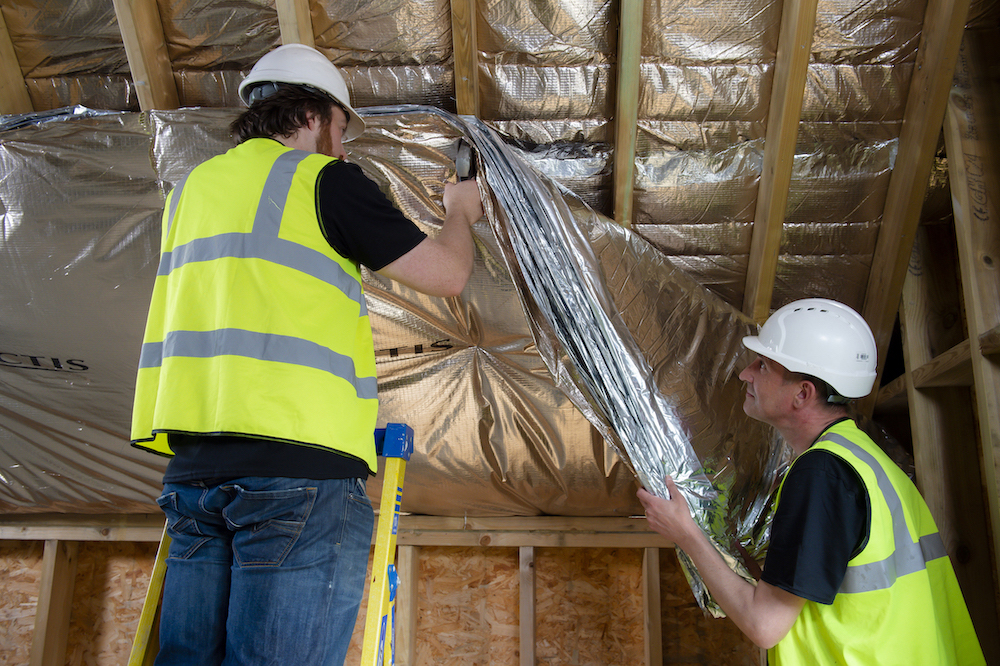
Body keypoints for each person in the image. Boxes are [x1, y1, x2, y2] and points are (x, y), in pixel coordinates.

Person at [129, 43, 484, 665]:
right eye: (342, 130)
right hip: (294, 474)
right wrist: (460, 213)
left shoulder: (191, 190)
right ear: (315, 116)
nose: (344, 149)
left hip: (192, 473)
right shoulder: (322, 179)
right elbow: (448, 275)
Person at [637, 298, 985, 664]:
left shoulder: (822, 474)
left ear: (802, 393)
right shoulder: (858, 454)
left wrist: (685, 534)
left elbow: (764, 625)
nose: (745, 374)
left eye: (764, 366)